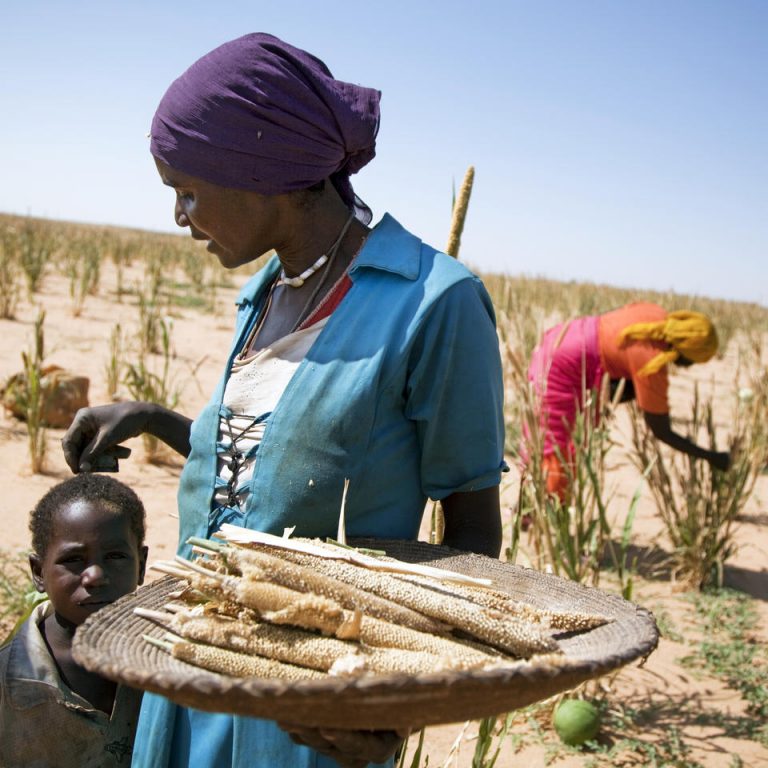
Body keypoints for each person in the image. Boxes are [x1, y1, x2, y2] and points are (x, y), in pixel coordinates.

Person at [61, 33, 506, 768]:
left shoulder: (434, 303)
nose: (179, 215)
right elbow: (275, 467)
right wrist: (154, 419)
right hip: (189, 664)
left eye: (190, 189)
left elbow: (472, 528)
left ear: (262, 171)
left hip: (309, 708)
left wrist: (394, 702)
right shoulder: (265, 293)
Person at [0, 473, 148, 768]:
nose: (94, 576)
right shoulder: (6, 683)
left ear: (141, 565)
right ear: (39, 572)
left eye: (115, 556)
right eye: (73, 560)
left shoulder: (172, 664)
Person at [526, 301, 730, 498]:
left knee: (545, 438)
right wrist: (712, 457)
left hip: (563, 336)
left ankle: (537, 508)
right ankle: (539, 514)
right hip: (564, 365)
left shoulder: (653, 312)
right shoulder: (652, 362)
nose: (688, 366)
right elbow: (661, 430)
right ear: (687, 352)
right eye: (692, 361)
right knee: (555, 447)